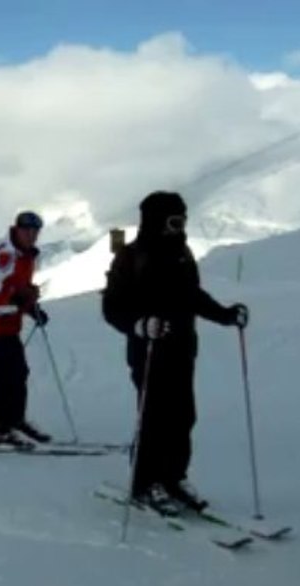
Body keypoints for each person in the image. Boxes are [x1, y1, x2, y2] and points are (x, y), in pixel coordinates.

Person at [101, 191, 247, 517]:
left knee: (182, 416)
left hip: (182, 348)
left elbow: (192, 296)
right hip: (148, 350)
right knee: (153, 417)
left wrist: (224, 315)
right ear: (155, 220)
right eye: (173, 220)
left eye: (182, 219)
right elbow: (112, 308)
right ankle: (145, 483)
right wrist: (141, 325)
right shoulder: (130, 256)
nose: (179, 226)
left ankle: (173, 478)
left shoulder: (182, 253)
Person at [0, 210, 51, 445]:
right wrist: (23, 300)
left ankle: (14, 422)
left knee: (19, 373)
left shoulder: (25, 255)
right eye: (27, 230)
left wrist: (31, 308)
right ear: (17, 229)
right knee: (7, 376)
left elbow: (19, 289)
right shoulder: (4, 255)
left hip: (8, 325)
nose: (32, 235)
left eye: (36, 231)